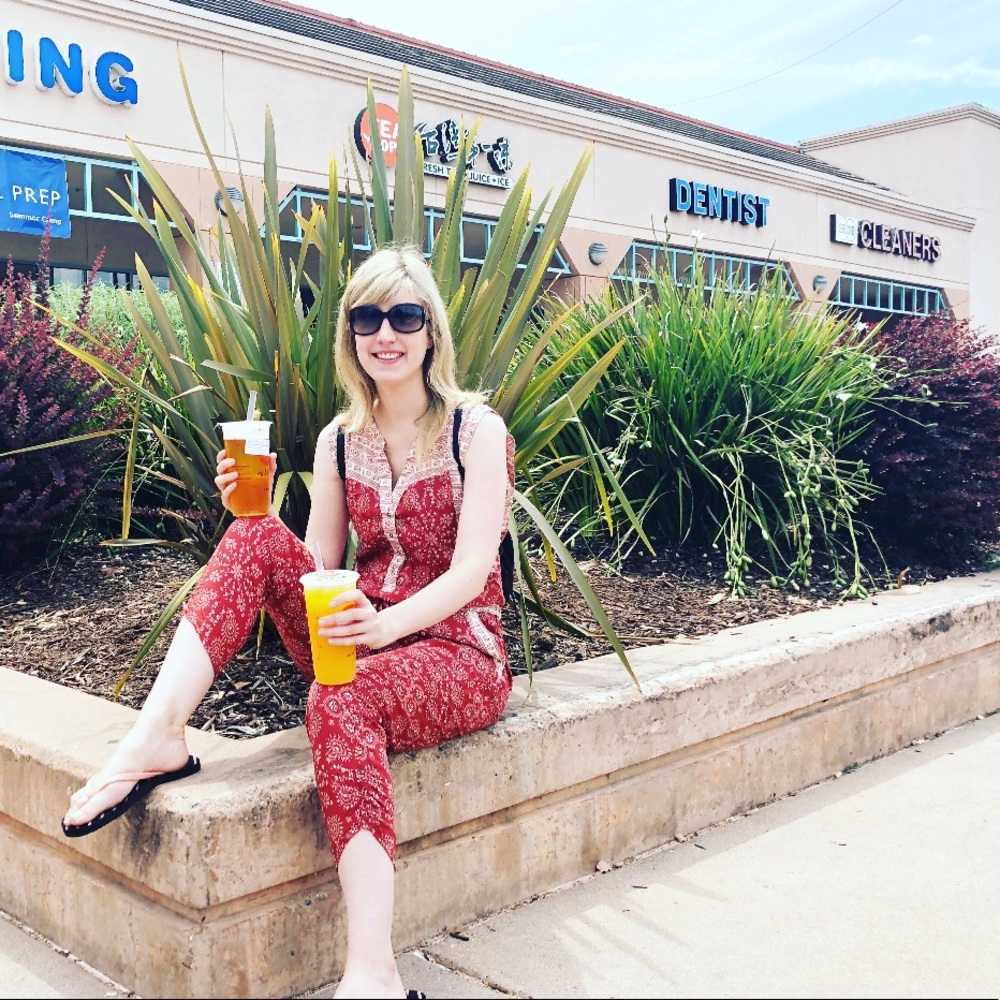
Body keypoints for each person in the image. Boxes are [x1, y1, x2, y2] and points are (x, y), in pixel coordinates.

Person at [62, 244, 515, 1000]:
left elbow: (473, 571)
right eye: (366, 317)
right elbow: (319, 564)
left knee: (337, 700)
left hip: (456, 652)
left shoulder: (475, 431)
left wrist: (385, 624)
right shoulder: (340, 439)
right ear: (350, 336)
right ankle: (158, 736)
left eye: (404, 315)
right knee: (251, 537)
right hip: (359, 639)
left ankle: (372, 970)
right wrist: (256, 512)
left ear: (430, 330)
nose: (386, 333)